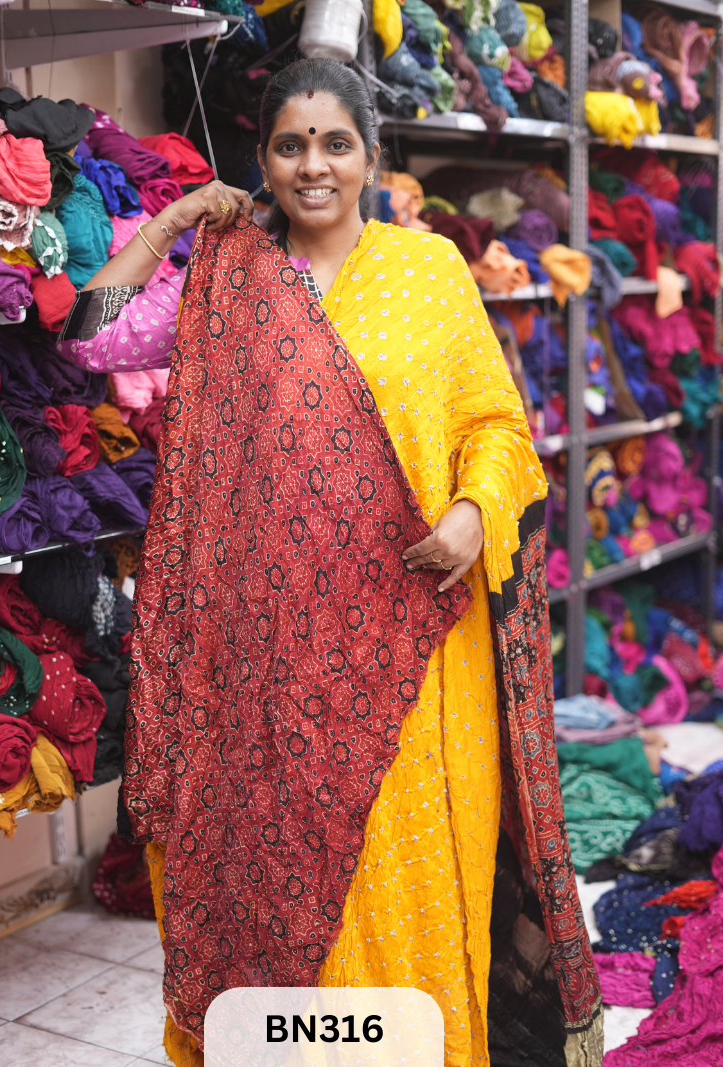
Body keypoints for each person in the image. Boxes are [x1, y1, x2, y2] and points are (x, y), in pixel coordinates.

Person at [59, 58, 601, 1067]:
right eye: (289, 144)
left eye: (334, 143)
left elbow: (496, 425)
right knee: (285, 882)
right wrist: (175, 222)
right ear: (262, 158)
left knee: (405, 878)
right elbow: (85, 339)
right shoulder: (229, 281)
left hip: (418, 642)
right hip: (271, 660)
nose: (313, 166)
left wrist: (476, 514)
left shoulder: (428, 270)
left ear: (368, 153)